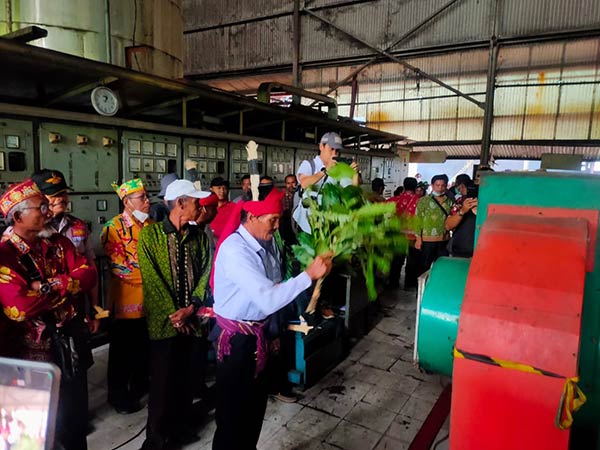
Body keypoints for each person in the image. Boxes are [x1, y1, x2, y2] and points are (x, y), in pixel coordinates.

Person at [211, 187, 333, 450]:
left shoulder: (266, 245)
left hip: (258, 336)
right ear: (251, 217)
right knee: (232, 416)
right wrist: (308, 275)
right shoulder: (236, 251)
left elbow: (276, 289)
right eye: (272, 220)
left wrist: (273, 332)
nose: (277, 227)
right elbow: (268, 298)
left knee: (254, 410)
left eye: (279, 219)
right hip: (236, 344)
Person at [0, 180, 96, 450]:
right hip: (29, 356)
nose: (48, 211)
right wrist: (67, 287)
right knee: (36, 424)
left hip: (68, 344)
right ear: (18, 216)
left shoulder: (58, 242)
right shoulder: (6, 254)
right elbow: (19, 307)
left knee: (75, 416)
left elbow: (88, 273)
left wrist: (49, 286)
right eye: (41, 207)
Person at [138, 179, 212, 450]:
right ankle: (156, 439)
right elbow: (152, 280)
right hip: (164, 324)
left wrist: (191, 307)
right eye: (195, 202)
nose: (199, 206)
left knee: (186, 379)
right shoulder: (150, 236)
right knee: (161, 383)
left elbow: (205, 272)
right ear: (181, 203)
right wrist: (174, 315)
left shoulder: (199, 237)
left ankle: (181, 429)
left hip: (193, 321)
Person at [101, 178, 153, 414]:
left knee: (143, 347)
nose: (147, 201)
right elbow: (120, 268)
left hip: (150, 301)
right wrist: (155, 275)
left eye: (146, 196)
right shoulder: (113, 228)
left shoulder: (151, 225)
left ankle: (140, 386)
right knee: (122, 352)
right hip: (126, 301)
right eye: (142, 197)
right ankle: (118, 395)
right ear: (127, 202)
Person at [30, 169, 100, 333]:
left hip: (76, 307)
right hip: (42, 313)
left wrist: (95, 309)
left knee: (79, 356)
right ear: (38, 198)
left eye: (63, 193)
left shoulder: (78, 226)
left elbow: (91, 268)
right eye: (53, 194)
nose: (60, 198)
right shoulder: (29, 231)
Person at [293, 132, 359, 233]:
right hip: (306, 224)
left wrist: (354, 175)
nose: (334, 154)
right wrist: (325, 171)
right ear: (321, 146)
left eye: (337, 151)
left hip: (328, 225)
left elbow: (351, 194)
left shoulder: (339, 169)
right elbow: (304, 183)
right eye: (331, 149)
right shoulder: (309, 165)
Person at [414, 174, 453, 273]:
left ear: (446, 186)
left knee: (442, 268)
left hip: (444, 240)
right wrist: (418, 239)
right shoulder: (423, 201)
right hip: (427, 240)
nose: (440, 188)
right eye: (437, 185)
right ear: (432, 185)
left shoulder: (450, 201)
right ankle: (422, 287)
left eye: (443, 185)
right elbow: (417, 221)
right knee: (424, 267)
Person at [387, 177, 420, 289]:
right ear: (416, 187)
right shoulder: (420, 201)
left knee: (396, 261)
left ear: (404, 186)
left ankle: (393, 282)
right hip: (413, 237)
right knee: (412, 262)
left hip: (397, 236)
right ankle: (409, 284)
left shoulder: (394, 200)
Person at [446, 177, 478, 258]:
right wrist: (462, 211)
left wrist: (480, 212)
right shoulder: (459, 202)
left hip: (481, 252)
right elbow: (448, 226)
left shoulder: (490, 203)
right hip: (459, 250)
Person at [209, 177, 236, 241]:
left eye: (225, 188)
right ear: (211, 189)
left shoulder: (234, 207)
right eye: (219, 188)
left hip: (228, 242)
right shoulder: (207, 207)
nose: (222, 191)